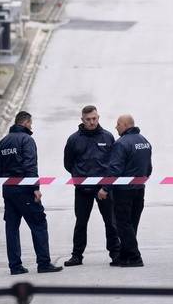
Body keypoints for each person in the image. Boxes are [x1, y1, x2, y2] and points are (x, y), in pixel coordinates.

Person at [0, 111, 63, 275]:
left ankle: (15, 266)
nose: (31, 127)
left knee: (11, 228)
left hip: (8, 191)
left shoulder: (3, 142)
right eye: (31, 124)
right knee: (39, 223)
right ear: (25, 123)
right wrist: (35, 188)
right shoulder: (27, 140)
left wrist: (9, 178)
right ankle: (44, 263)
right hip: (25, 190)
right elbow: (30, 166)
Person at [63, 105, 120, 266]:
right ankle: (77, 256)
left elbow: (114, 163)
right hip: (82, 189)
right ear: (82, 120)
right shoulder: (74, 139)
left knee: (111, 222)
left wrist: (106, 187)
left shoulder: (108, 137)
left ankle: (116, 254)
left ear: (98, 118)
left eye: (94, 118)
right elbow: (68, 163)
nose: (92, 122)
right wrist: (78, 176)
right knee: (81, 222)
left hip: (104, 189)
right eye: (88, 119)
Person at [98, 114, 151, 267]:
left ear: (126, 125)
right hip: (139, 189)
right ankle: (123, 255)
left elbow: (115, 169)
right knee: (132, 223)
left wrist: (105, 188)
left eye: (118, 124)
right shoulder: (144, 141)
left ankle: (134, 257)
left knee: (123, 224)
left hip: (124, 190)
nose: (116, 127)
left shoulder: (121, 143)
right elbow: (149, 167)